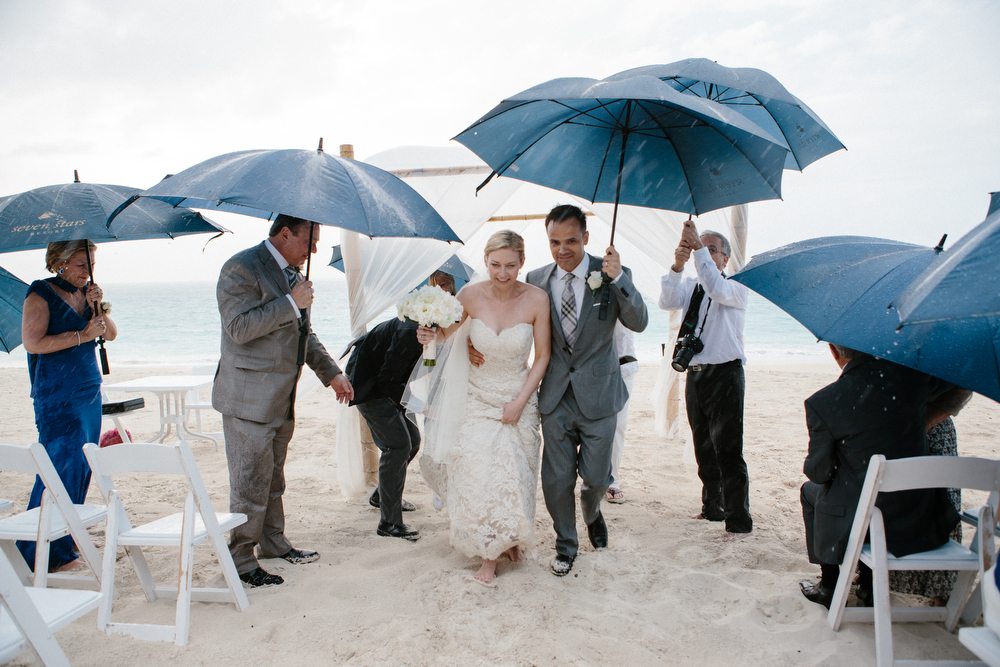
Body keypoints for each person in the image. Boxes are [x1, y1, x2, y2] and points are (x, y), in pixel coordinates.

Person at [213, 214, 354, 588]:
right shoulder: (240, 268)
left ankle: (273, 543)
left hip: (281, 398)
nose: (316, 249)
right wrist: (290, 303)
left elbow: (305, 334)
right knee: (249, 483)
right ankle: (241, 560)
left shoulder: (294, 277)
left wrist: (333, 373)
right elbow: (239, 329)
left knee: (274, 478)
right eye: (311, 241)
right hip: (247, 399)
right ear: (286, 234)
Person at [415, 230, 550, 586]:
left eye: (510, 265)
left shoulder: (537, 299)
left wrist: (521, 401)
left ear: (522, 262)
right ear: (485, 262)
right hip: (476, 397)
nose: (502, 273)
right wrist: (431, 334)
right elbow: (449, 334)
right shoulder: (469, 295)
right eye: (495, 265)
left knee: (517, 474)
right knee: (480, 472)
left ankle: (511, 539)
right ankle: (488, 555)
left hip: (518, 396)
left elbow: (543, 356)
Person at [521, 204, 648, 577]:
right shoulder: (535, 279)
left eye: (571, 241)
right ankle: (566, 544)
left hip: (601, 395)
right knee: (557, 479)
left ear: (586, 239)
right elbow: (514, 321)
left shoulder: (609, 273)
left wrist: (620, 277)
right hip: (556, 396)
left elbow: (639, 322)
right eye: (555, 242)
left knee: (595, 478)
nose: (563, 250)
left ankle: (592, 512)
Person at [798, 344, 959, 608]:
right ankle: (869, 585)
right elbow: (956, 385)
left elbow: (819, 472)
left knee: (812, 492)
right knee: (872, 496)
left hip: (863, 519)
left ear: (833, 351)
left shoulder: (824, 402)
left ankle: (829, 584)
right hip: (917, 516)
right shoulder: (914, 383)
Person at [17, 240, 117, 572]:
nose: (87, 271)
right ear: (59, 263)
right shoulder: (40, 294)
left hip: (88, 390)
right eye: (80, 264)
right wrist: (82, 336)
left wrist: (98, 306)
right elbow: (33, 342)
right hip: (57, 395)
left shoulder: (87, 293)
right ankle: (38, 550)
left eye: (90, 264)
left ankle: (66, 537)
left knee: (81, 467)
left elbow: (110, 334)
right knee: (57, 468)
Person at [345, 271, 458, 542]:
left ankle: (382, 496)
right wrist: (419, 405)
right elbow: (388, 378)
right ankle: (389, 523)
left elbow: (420, 370)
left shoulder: (429, 331)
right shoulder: (412, 329)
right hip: (369, 386)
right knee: (398, 445)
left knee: (413, 441)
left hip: (389, 386)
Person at [658, 221, 752, 534]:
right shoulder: (691, 287)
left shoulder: (736, 286)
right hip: (695, 374)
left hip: (725, 373)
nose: (706, 252)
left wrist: (697, 248)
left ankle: (738, 517)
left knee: (728, 448)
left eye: (712, 249)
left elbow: (716, 287)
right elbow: (667, 301)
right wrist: (678, 265)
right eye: (703, 246)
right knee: (703, 447)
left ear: (725, 259)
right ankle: (713, 507)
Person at [889, 386, 973, 603]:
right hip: (895, 419)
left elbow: (961, 389)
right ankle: (877, 577)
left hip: (932, 421)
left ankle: (939, 590)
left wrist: (928, 420)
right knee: (895, 496)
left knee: (942, 498)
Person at [607, 323, 638, 504]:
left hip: (623, 363)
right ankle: (594, 477)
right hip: (589, 364)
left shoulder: (626, 294)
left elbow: (637, 319)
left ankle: (612, 480)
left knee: (618, 425)